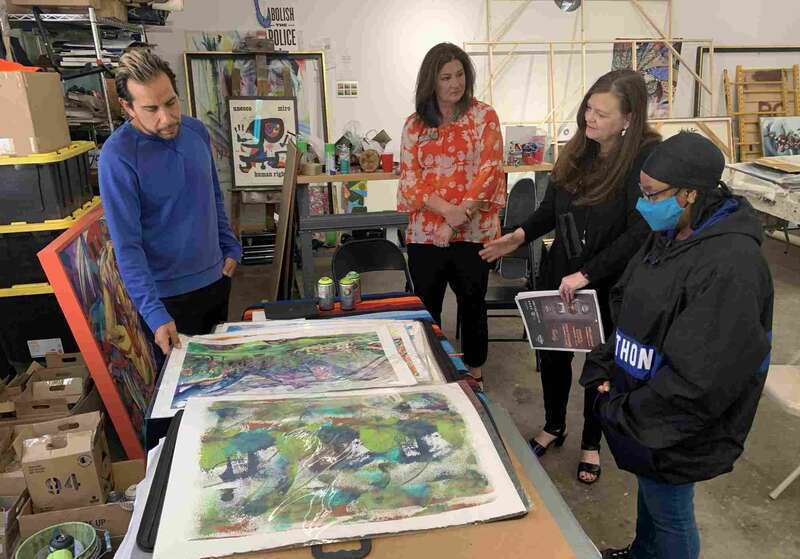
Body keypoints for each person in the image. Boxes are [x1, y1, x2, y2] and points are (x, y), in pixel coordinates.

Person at [581, 132, 773, 559]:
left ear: (689, 193)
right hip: (644, 404)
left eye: (650, 194)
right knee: (652, 496)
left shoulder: (731, 265)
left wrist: (625, 410)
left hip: (674, 419)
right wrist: (606, 361)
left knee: (671, 512)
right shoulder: (671, 233)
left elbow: (703, 376)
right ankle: (642, 553)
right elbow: (633, 305)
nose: (640, 204)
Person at [480, 69, 659, 484]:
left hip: (608, 281)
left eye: (600, 113)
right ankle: (554, 424)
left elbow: (640, 231)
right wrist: (518, 236)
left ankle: (591, 443)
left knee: (598, 368)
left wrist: (588, 273)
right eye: (587, 109)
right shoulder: (580, 149)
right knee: (555, 355)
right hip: (562, 271)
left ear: (628, 119)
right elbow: (553, 208)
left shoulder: (644, 160)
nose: (589, 120)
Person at [99, 49, 241, 357]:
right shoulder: (118, 156)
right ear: (127, 106)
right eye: (151, 108)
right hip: (167, 302)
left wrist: (230, 246)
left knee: (219, 376)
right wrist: (154, 313)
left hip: (217, 280)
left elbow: (212, 193)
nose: (167, 117)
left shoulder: (196, 132)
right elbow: (127, 246)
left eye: (171, 102)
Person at [398, 42, 506, 385]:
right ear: (431, 81)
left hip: (474, 231)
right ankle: (432, 371)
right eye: (445, 77)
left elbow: (490, 170)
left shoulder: (484, 116)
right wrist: (447, 213)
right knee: (426, 306)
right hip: (426, 234)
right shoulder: (415, 125)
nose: (454, 83)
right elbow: (410, 179)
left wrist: (462, 214)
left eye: (460, 75)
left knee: (473, 304)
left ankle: (475, 374)